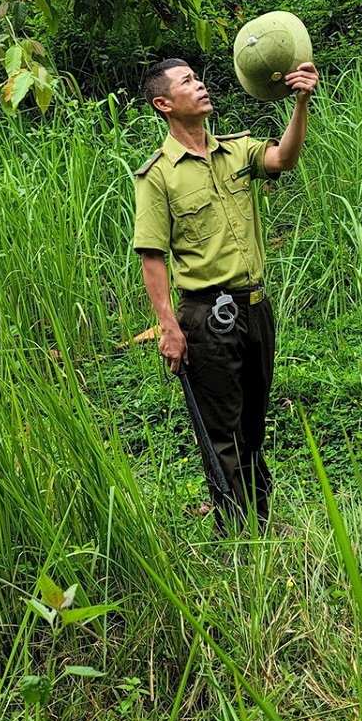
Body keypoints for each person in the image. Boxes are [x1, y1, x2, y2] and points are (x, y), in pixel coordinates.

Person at [133, 56, 319, 528]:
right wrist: (169, 328)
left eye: (197, 78)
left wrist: (301, 101)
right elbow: (152, 257)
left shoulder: (237, 151)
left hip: (255, 308)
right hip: (204, 317)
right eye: (187, 82)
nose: (200, 86)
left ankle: (259, 516)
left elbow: (284, 158)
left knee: (253, 423)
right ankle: (238, 533)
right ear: (164, 104)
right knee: (223, 433)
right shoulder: (158, 176)